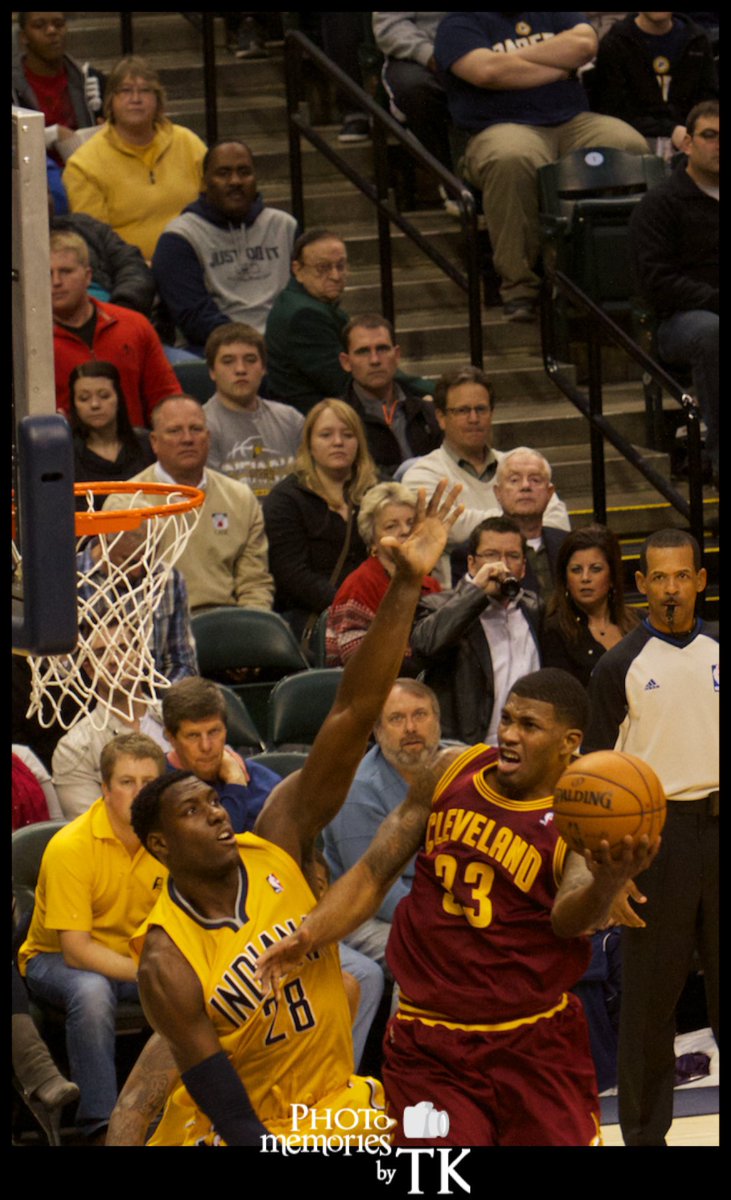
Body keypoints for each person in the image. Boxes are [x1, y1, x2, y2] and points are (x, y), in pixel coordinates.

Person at [106, 480, 464, 1147]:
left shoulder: (274, 838)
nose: (216, 814)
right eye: (193, 810)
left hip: (332, 1105)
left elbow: (353, 712)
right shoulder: (165, 956)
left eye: (213, 800)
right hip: (238, 1131)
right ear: (157, 844)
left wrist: (405, 587)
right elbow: (230, 1111)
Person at [257, 666, 659, 1146]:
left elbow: (569, 918)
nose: (509, 735)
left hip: (531, 1041)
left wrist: (605, 880)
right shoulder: (451, 770)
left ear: (568, 741)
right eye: (507, 719)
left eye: (528, 726)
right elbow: (371, 873)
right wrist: (309, 934)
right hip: (430, 1043)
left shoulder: (577, 818)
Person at [583, 528, 718, 1146]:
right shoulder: (619, 667)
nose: (671, 588)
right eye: (658, 577)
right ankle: (642, 1136)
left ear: (700, 580)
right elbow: (590, 780)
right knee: (648, 1008)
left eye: (681, 576)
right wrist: (611, 876)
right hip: (659, 840)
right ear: (641, 585)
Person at [434, 12, 649, 319]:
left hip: (573, 121)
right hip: (499, 126)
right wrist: (558, 67)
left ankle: (619, 274)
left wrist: (512, 61)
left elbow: (586, 45)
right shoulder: (460, 23)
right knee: (512, 158)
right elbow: (486, 72)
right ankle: (519, 287)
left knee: (629, 146)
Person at [17, 733, 168, 1144]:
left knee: (193, 985)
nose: (139, 793)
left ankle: (174, 1116)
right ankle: (100, 1126)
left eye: (148, 782)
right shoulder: (71, 847)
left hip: (130, 956)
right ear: (104, 789)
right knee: (92, 991)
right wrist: (148, 972)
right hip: (55, 960)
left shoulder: (169, 841)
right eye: (126, 782)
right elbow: (77, 950)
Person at [402, 366, 570, 583]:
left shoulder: (518, 466)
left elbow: (557, 522)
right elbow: (447, 529)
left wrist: (480, 520)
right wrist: (526, 516)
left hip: (532, 591)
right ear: (441, 417)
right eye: (462, 410)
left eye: (481, 409)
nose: (474, 418)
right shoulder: (421, 475)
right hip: (460, 600)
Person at [322, 678, 442, 969]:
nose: (411, 728)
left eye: (420, 715)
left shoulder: (461, 764)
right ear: (377, 731)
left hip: (442, 906)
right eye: (397, 719)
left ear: (438, 722)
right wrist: (447, 925)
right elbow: (376, 891)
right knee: (429, 958)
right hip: (364, 916)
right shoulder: (357, 792)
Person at [629, 100, 719, 482]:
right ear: (687, 143)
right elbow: (657, 282)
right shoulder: (661, 204)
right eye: (710, 136)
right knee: (713, 333)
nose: (719, 145)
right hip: (678, 323)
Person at [122, 395, 274, 612]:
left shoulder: (240, 498)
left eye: (195, 429)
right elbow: (121, 587)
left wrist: (250, 630)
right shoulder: (127, 500)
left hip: (227, 622)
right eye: (175, 431)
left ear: (208, 438)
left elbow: (255, 584)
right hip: (156, 624)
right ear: (154, 442)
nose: (187, 439)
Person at [265, 228, 432, 415]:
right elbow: (353, 380)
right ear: (298, 270)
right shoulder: (304, 316)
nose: (336, 276)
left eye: (341, 265)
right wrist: (428, 391)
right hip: (319, 422)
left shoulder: (303, 302)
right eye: (323, 268)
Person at [152, 139, 298, 353]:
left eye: (244, 172)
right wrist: (251, 346)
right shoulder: (179, 238)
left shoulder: (284, 226)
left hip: (284, 344)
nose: (235, 181)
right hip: (216, 348)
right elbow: (193, 316)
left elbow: (305, 292)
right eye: (223, 173)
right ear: (204, 182)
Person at [411, 515, 542, 746]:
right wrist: (476, 592)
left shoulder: (535, 609)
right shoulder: (438, 606)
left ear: (523, 567)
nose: (502, 564)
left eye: (512, 556)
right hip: (464, 748)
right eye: (491, 555)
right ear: (472, 564)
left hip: (527, 745)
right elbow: (425, 647)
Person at [63, 54, 206, 262]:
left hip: (196, 261)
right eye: (126, 91)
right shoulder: (84, 164)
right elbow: (95, 242)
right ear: (111, 101)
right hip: (128, 272)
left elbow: (213, 208)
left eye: (145, 91)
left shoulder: (188, 142)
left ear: (158, 100)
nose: (136, 99)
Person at [262, 399, 378, 640]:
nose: (338, 442)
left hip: (378, 608)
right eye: (326, 435)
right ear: (309, 445)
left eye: (348, 434)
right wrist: (351, 607)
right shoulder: (286, 499)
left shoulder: (377, 492)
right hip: (314, 614)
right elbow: (292, 575)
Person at [50, 229, 181, 426]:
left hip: (137, 452)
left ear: (87, 276)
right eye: (47, 274)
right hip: (66, 454)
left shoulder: (134, 326)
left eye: (66, 271)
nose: (56, 282)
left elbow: (167, 402)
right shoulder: (29, 344)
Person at [51, 625, 170, 819]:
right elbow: (91, 827)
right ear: (89, 668)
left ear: (140, 656)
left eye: (122, 649)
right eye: (101, 653)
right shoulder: (74, 749)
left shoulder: (176, 718)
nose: (114, 661)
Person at [325, 480, 441, 668]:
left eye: (410, 523)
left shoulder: (430, 583)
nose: (404, 531)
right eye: (391, 526)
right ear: (372, 540)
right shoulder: (360, 584)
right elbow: (357, 660)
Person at [588, 12, 718, 161]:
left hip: (690, 137)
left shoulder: (696, 39)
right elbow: (613, 111)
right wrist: (670, 130)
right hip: (637, 139)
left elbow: (708, 102)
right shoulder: (616, 42)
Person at [161, 676, 280, 835]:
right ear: (171, 738)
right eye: (193, 736)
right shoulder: (158, 789)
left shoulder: (267, 785)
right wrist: (235, 783)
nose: (206, 746)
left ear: (226, 729)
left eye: (214, 732)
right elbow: (216, 845)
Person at [202, 322, 304, 497]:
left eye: (250, 360)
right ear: (212, 371)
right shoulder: (200, 427)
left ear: (263, 368)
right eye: (228, 361)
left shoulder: (291, 419)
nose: (240, 369)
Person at [339, 314, 441, 476]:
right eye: (363, 351)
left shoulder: (426, 411)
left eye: (382, 349)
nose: (374, 360)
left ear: (397, 355)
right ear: (346, 362)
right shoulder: (338, 420)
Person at [541, 524, 639, 689]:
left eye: (595, 569)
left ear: (612, 576)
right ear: (565, 578)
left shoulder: (639, 622)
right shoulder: (554, 631)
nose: (585, 578)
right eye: (576, 570)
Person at [12, 11, 105, 165]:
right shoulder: (14, 86)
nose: (52, 31)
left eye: (59, 24)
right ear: (23, 37)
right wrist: (52, 135)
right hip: (31, 180)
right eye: (39, 25)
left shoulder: (90, 78)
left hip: (86, 176)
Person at [372, 13, 453, 176]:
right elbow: (391, 26)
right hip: (421, 56)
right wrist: (429, 55)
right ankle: (449, 181)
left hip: (489, 50)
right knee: (414, 87)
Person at [67, 361, 155, 501]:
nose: (95, 405)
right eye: (84, 398)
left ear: (118, 398)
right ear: (74, 404)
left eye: (104, 396)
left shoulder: (147, 444)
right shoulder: (65, 454)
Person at [492, 447, 569, 600]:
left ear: (549, 493)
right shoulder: (479, 550)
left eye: (535, 480)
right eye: (514, 480)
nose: (525, 486)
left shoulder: (569, 544)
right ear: (497, 493)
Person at [51, 208, 156, 317]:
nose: (56, 281)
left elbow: (132, 265)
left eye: (47, 192)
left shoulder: (84, 226)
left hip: (118, 311)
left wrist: (123, 307)